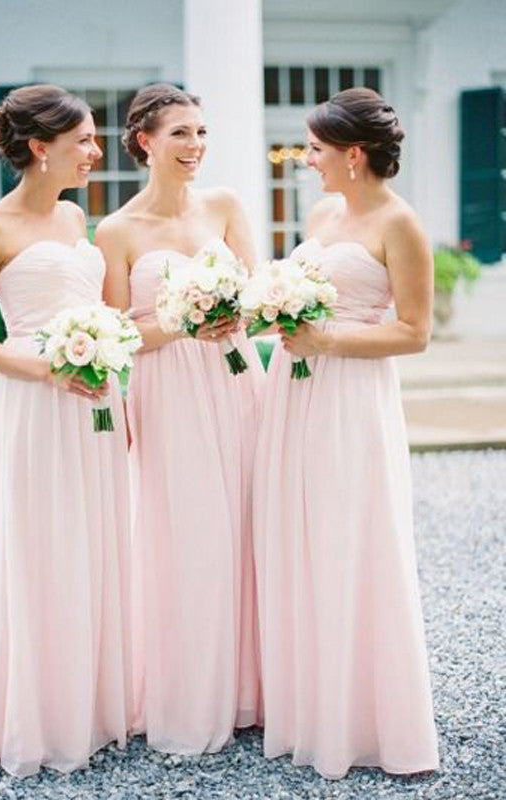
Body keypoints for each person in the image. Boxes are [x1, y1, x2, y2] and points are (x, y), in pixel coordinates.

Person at [253, 88, 439, 779]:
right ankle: (309, 706)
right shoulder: (327, 213)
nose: (308, 161)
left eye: (317, 150)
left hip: (352, 396)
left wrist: (325, 338)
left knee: (348, 536)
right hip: (294, 394)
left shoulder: (401, 225)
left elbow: (414, 333)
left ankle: (362, 718)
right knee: (297, 533)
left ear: (354, 156)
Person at [0, 85, 132, 777]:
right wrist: (48, 368)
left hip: (95, 403)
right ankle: (32, 716)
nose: (93, 151)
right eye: (83, 140)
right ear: (39, 147)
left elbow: (95, 306)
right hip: (33, 401)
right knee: (39, 549)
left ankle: (86, 707)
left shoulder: (74, 218)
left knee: (92, 542)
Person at [95, 83, 263, 754]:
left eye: (201, 132)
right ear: (144, 141)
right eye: (181, 134)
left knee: (249, 525)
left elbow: (258, 293)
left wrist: (233, 313)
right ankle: (194, 694)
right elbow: (116, 332)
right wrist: (181, 318)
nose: (196, 146)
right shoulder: (116, 230)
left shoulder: (225, 206)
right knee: (186, 535)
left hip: (236, 377)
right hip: (166, 391)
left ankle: (253, 690)